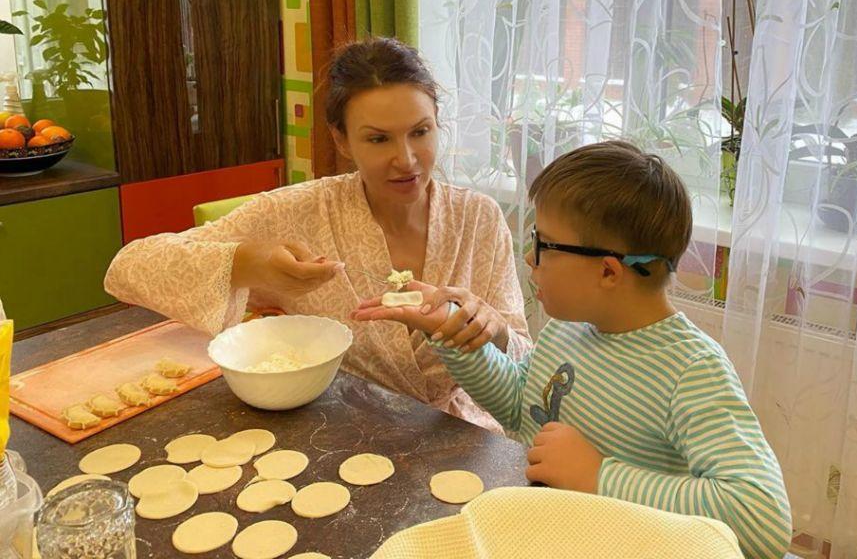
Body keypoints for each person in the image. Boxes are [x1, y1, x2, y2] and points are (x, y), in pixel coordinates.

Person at [353, 141, 792, 558]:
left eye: (543, 244)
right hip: (545, 535)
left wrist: (599, 475)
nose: (529, 258)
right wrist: (451, 330)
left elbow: (763, 519)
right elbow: (522, 410)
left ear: (607, 271)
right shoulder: (572, 330)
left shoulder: (691, 369)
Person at [105, 37, 530, 431]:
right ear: (341, 140)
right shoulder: (299, 211)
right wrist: (249, 264)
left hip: (462, 434)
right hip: (340, 432)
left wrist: (491, 330)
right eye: (378, 139)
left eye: (420, 132)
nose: (406, 160)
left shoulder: (479, 218)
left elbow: (526, 359)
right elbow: (128, 267)